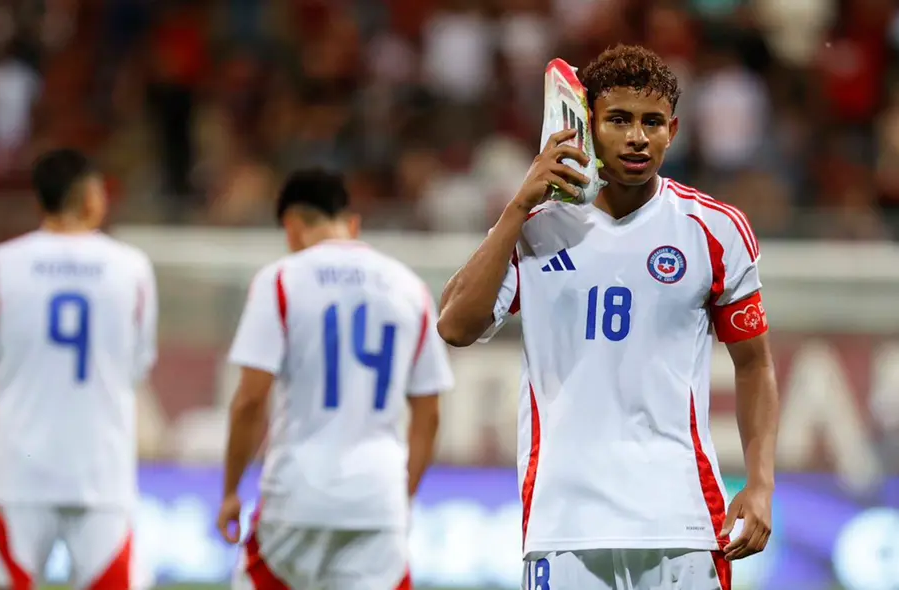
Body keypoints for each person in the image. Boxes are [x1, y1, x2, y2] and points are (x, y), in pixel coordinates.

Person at [437, 45, 779, 590]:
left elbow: (755, 365)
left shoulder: (713, 229)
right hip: (563, 525)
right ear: (586, 124)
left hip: (682, 522)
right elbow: (455, 326)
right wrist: (517, 206)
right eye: (618, 120)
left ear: (674, 129)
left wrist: (760, 484)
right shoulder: (537, 227)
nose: (637, 137)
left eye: (652, 123)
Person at [216, 169, 454, 589]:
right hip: (377, 498)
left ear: (291, 226)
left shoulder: (282, 280)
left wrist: (232, 490)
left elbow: (250, 400)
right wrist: (402, 498)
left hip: (297, 495)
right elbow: (429, 415)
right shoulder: (410, 288)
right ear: (353, 224)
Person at [0, 148, 158, 590]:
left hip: (19, 471)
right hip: (101, 471)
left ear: (39, 201)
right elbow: (138, 366)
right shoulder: (132, 268)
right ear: (89, 198)